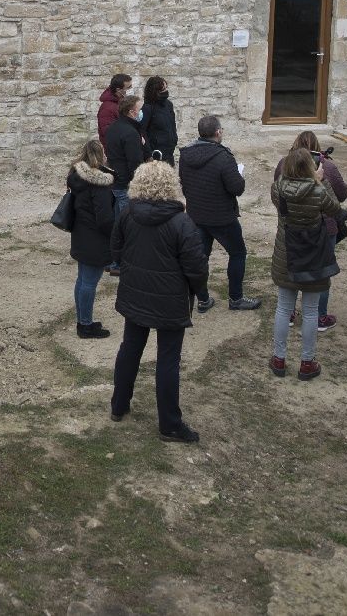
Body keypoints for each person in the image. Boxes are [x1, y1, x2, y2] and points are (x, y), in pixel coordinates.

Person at [109, 160, 207, 443]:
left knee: (130, 349)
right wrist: (200, 292)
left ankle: (119, 404)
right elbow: (196, 266)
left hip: (136, 293)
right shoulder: (181, 222)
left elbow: (116, 249)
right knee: (167, 360)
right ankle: (169, 425)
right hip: (169, 300)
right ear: (171, 185)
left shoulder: (127, 214)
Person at [269, 146, 343, 380]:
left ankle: (279, 358)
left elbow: (281, 192)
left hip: (287, 255)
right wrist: (320, 181)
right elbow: (335, 208)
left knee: (283, 308)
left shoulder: (278, 187)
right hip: (313, 256)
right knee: (310, 312)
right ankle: (307, 362)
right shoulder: (318, 191)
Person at [177, 114, 259, 312]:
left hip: (197, 214)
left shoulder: (186, 155)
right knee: (238, 253)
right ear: (217, 132)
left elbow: (184, 184)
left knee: (201, 257)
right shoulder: (224, 157)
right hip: (221, 216)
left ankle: (203, 300)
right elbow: (237, 188)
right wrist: (239, 175)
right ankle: (236, 298)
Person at [285, 130, 347, 331]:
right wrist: (320, 180)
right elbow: (341, 196)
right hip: (322, 227)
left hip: (293, 226)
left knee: (293, 267)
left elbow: (278, 193)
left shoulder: (284, 164)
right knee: (321, 273)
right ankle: (319, 316)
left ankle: (289, 311)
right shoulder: (326, 166)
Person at [66, 139, 117, 339]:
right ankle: (85, 325)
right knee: (88, 283)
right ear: (99, 156)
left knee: (82, 280)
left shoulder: (76, 177)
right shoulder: (99, 183)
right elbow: (104, 218)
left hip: (81, 234)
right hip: (94, 239)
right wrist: (115, 234)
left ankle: (83, 320)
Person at [103, 94, 147, 218]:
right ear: (132, 112)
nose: (142, 112)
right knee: (125, 219)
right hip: (126, 183)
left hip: (116, 179)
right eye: (140, 109)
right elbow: (134, 162)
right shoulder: (130, 132)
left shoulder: (113, 127)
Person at [141, 76, 178, 164]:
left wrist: (174, 139)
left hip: (169, 152)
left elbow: (172, 124)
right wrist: (148, 153)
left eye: (166, 88)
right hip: (156, 153)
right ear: (154, 91)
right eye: (162, 89)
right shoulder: (147, 108)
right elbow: (142, 131)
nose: (165, 91)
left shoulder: (168, 105)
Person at [98, 73, 132, 140]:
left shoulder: (122, 102)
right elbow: (109, 132)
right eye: (128, 88)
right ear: (118, 90)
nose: (131, 89)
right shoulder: (107, 108)